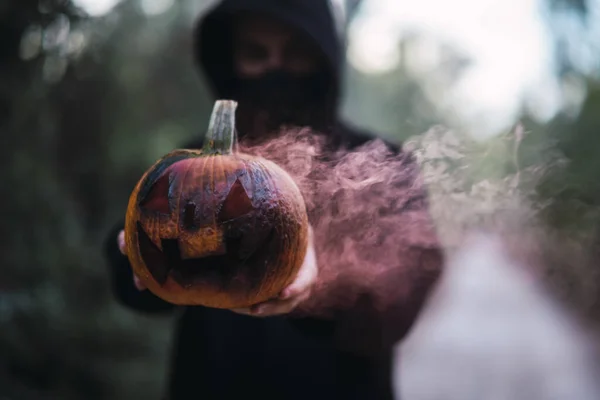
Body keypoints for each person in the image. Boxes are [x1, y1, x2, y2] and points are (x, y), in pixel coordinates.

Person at [104, 1, 444, 399]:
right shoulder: (189, 165)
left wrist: (318, 285)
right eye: (256, 53)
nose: (276, 67)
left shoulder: (379, 161)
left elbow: (408, 293)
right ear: (231, 62)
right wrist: (136, 258)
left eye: (296, 51)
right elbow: (131, 269)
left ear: (323, 56)